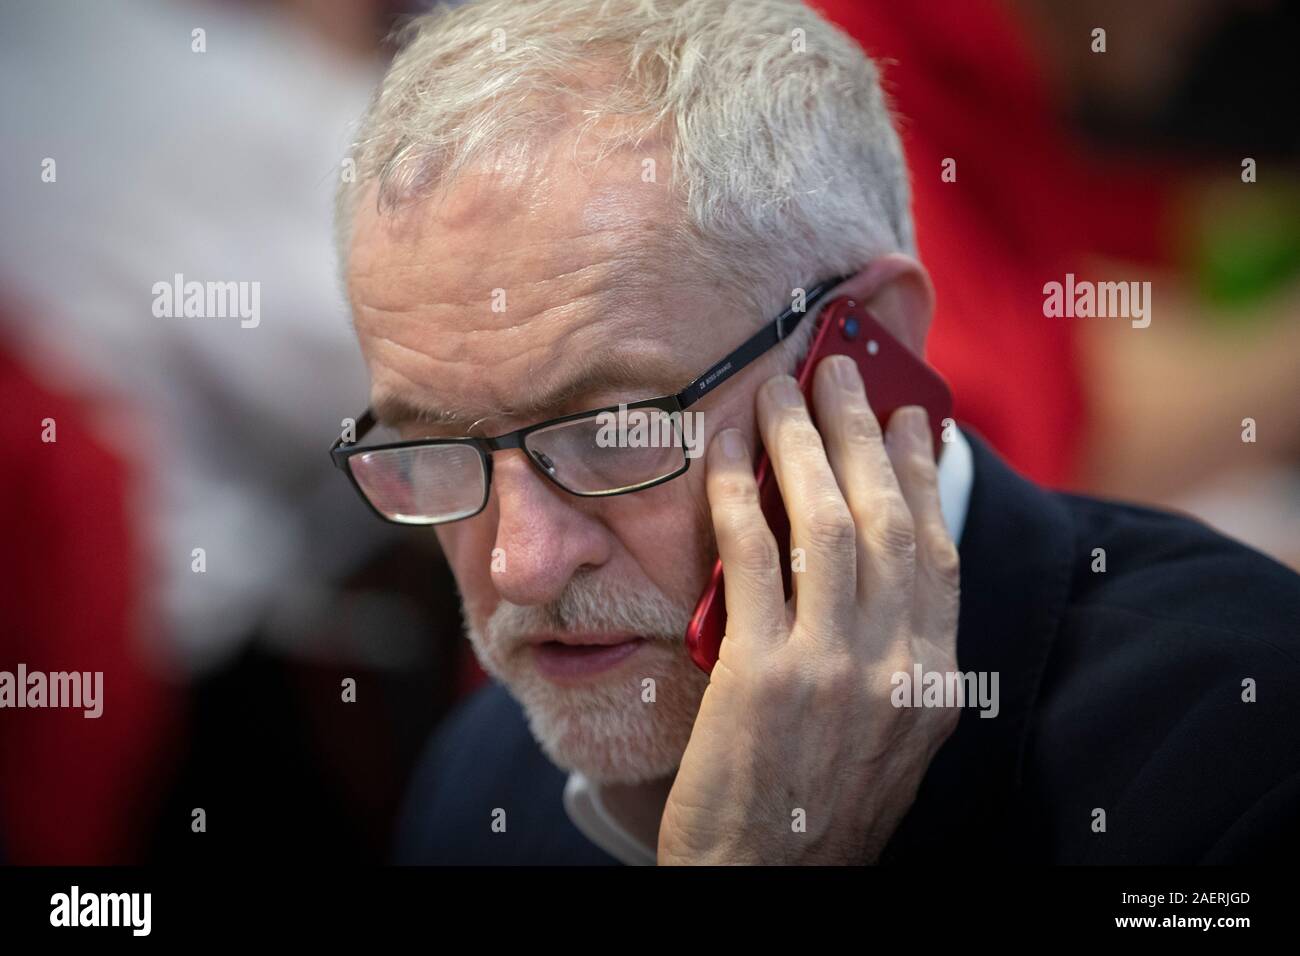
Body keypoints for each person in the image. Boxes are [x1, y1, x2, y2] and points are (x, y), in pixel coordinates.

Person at [329, 0, 1300, 864]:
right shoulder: (479, 770)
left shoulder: (1240, 739)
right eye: (427, 445)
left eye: (613, 424)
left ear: (866, 346)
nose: (522, 565)